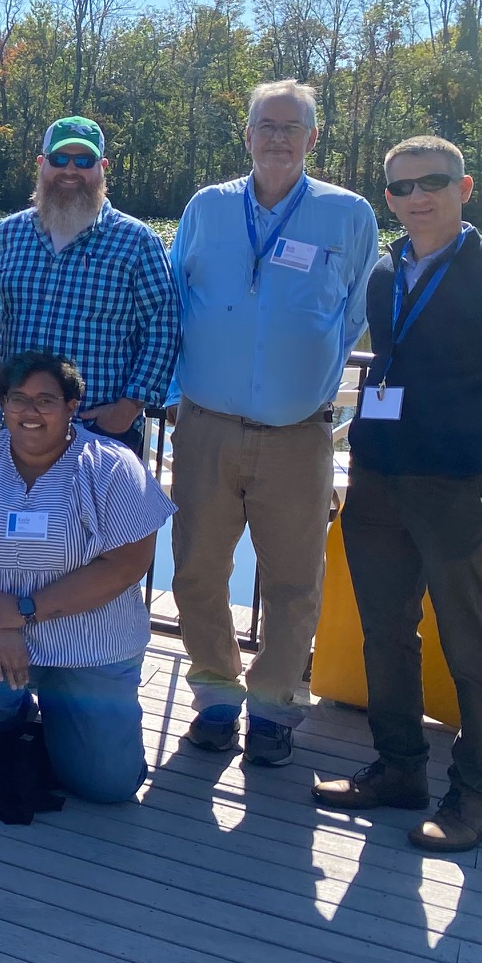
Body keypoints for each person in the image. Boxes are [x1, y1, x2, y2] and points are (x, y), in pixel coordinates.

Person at [170, 80, 378, 766]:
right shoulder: (207, 207)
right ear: (248, 135)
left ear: (313, 138)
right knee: (197, 571)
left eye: (293, 127)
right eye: (267, 124)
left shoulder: (348, 214)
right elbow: (178, 298)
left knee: (294, 581)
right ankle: (215, 697)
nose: (279, 137)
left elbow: (354, 312)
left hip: (298, 434)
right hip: (205, 425)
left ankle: (272, 708)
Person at [316, 135, 482, 852]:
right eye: (401, 187)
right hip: (379, 476)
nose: (417, 197)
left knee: (474, 645)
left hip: (458, 484)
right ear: (387, 198)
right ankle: (399, 768)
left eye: (433, 182)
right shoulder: (386, 274)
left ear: (465, 187)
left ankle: (479, 793)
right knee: (385, 630)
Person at [0, 351, 175, 805]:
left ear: (72, 406)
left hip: (90, 635)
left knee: (107, 786)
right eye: (18, 398)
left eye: (46, 400)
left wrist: (23, 611)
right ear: (1, 404)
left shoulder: (113, 467)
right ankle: (12, 726)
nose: (30, 411)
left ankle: (75, 719)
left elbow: (127, 564)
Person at [0, 117, 178, 455]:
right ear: (42, 164)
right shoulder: (6, 235)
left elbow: (164, 328)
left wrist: (129, 407)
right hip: (19, 428)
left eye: (84, 161)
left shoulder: (137, 241)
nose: (70, 170)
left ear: (102, 167)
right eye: (59, 159)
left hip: (101, 431)